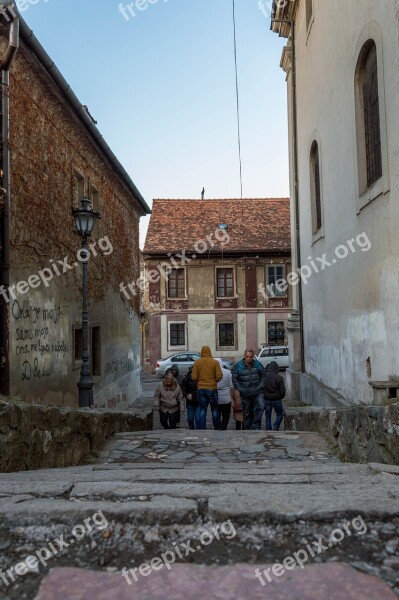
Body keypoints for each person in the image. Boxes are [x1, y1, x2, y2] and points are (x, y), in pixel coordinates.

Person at [232, 349, 266, 430]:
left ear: (253, 356)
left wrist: (260, 387)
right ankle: (247, 429)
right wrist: (241, 389)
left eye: (250, 357)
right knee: (247, 412)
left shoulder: (257, 364)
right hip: (245, 392)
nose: (248, 358)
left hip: (257, 391)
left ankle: (255, 425)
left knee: (261, 406)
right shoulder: (239, 366)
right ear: (244, 356)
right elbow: (234, 379)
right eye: (247, 356)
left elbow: (264, 376)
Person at [192, 346, 222, 429]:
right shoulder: (215, 362)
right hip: (212, 388)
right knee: (214, 409)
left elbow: (194, 377)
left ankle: (202, 429)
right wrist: (214, 381)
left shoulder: (197, 362)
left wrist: (199, 382)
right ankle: (216, 428)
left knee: (202, 409)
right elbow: (219, 376)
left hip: (201, 388)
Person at [264, 360, 286, 431]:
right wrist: (280, 397)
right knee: (280, 414)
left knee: (268, 416)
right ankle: (276, 426)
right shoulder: (279, 377)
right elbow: (282, 390)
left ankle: (268, 430)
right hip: (277, 399)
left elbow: (262, 388)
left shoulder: (264, 377)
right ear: (277, 368)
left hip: (267, 399)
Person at [215, 358, 234, 430]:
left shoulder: (213, 372)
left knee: (217, 414)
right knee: (226, 415)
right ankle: (223, 427)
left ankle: (218, 426)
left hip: (216, 396)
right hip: (226, 397)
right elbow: (231, 385)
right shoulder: (228, 372)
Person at [181, 365, 199, 430]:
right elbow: (183, 389)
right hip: (190, 402)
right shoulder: (186, 379)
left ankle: (198, 432)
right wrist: (186, 395)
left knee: (198, 419)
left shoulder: (200, 379)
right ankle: (192, 430)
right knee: (190, 419)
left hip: (198, 402)